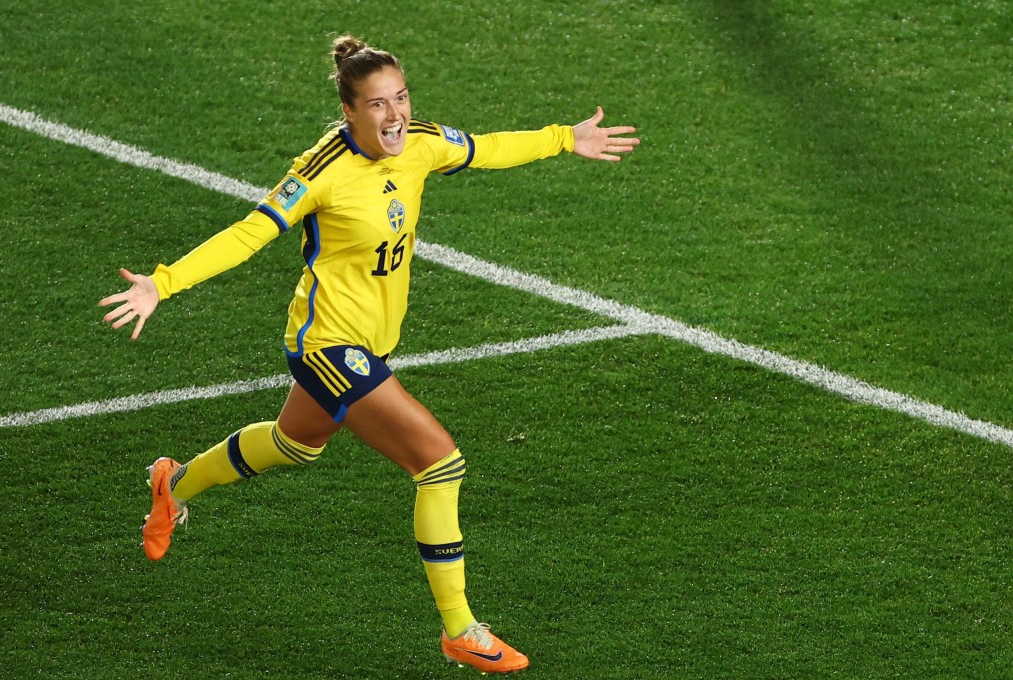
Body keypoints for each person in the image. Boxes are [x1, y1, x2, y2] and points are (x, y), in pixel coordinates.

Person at [100, 34, 638, 674]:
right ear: (349, 111)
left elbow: (486, 147)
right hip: (328, 345)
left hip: (370, 343)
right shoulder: (320, 170)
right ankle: (461, 629)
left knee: (295, 444)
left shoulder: (420, 144)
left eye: (401, 98)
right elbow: (248, 235)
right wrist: (161, 284)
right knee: (439, 464)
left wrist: (564, 138)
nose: (396, 114)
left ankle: (173, 483)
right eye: (379, 104)